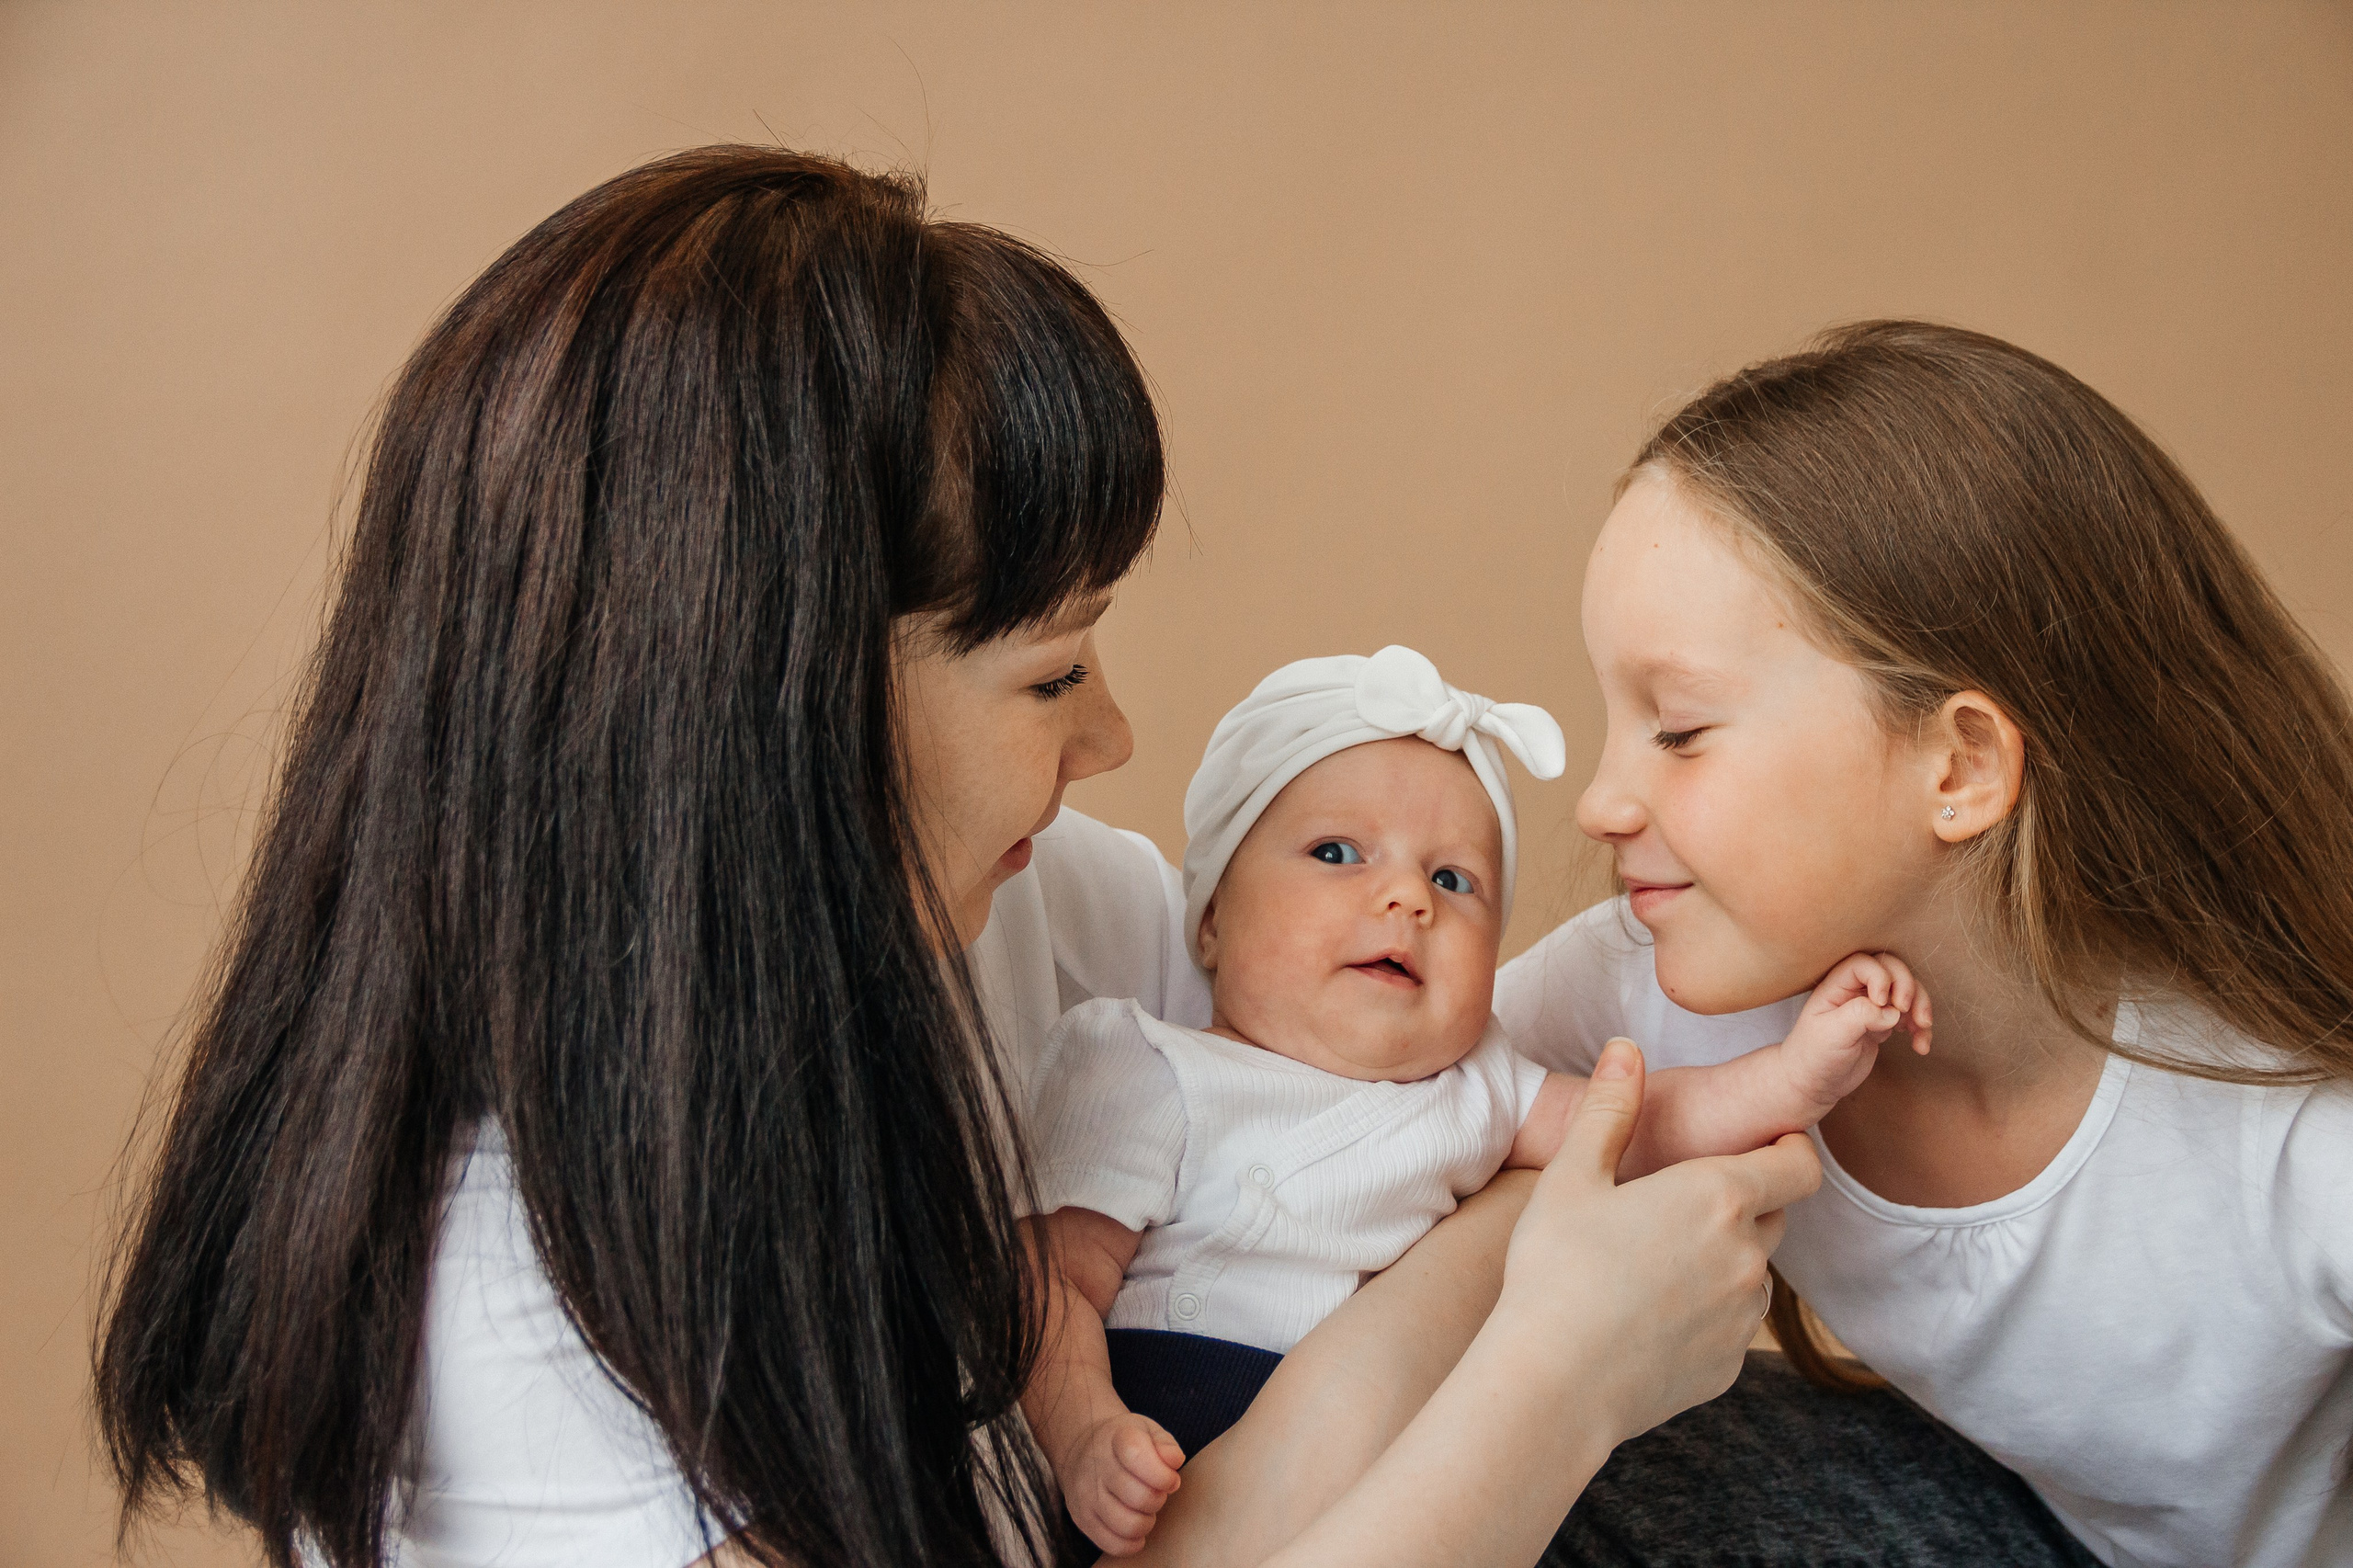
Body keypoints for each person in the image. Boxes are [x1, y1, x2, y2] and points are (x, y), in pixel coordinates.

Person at [94, 146, 1814, 1568]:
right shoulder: (515, 1297)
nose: (1114, 740)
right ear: (769, 711)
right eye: (1052, 672)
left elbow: (1392, 1130)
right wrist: (1552, 1371)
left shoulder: (1042, 912)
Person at [1495, 321, 2353, 1567]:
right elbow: (1326, 1108)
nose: (1601, 800)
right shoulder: (1650, 993)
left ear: (1958, 766)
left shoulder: (2289, 1131)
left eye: (1677, 730)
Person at [1024, 646, 1927, 1556]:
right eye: (1337, 852)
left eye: (1454, 880)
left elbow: (1639, 1126)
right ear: (1212, 916)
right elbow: (1051, 1282)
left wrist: (1796, 1071)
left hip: (1422, 1476)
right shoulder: (1147, 1064)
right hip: (1160, 1448)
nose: (1406, 896)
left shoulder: (1478, 1086)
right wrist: (1085, 1430)